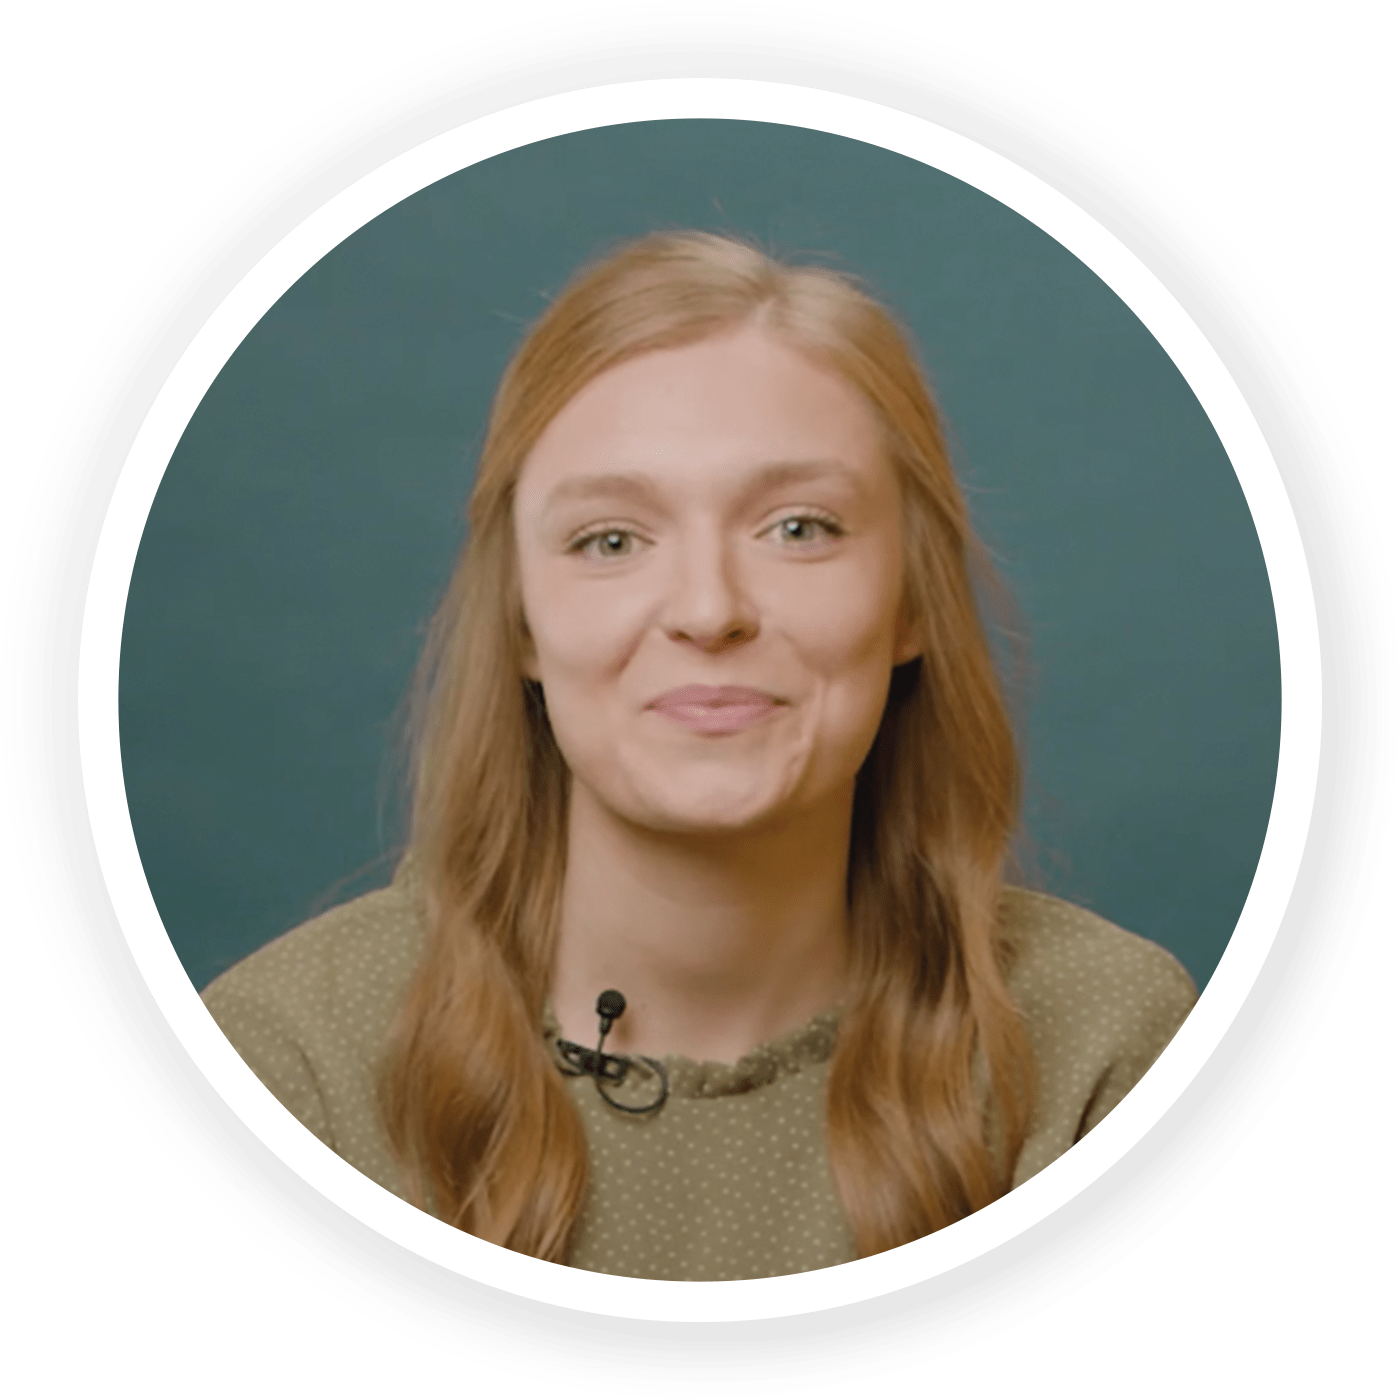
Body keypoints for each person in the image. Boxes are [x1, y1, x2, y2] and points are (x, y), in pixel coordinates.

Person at [202, 231, 1196, 1282]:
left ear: (909, 599)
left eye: (799, 527)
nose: (709, 609)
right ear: (523, 623)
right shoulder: (284, 1070)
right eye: (611, 540)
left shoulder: (1109, 1050)